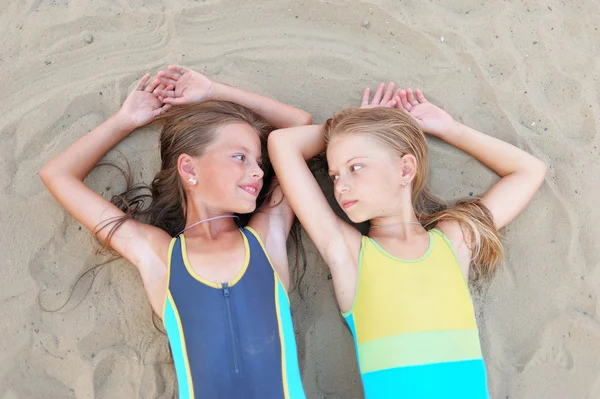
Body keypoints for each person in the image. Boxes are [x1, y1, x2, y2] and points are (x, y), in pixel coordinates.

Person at [39, 65, 312, 399]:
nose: (257, 171)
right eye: (240, 157)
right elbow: (58, 175)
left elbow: (298, 128)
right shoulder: (161, 256)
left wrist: (215, 91)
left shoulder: (266, 237)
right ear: (188, 168)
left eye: (258, 161)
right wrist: (126, 119)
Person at [268, 82, 547, 398]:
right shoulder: (349, 254)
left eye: (355, 167)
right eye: (334, 175)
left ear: (406, 168)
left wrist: (448, 128)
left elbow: (529, 170)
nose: (341, 186)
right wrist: (355, 126)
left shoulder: (453, 241)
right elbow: (282, 144)